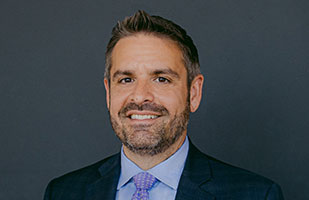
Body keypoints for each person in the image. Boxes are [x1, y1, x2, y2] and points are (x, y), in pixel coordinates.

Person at [43, 10, 284, 200]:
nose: (140, 97)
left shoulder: (255, 194)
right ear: (108, 93)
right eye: (126, 79)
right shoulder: (63, 192)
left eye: (161, 79)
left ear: (194, 93)